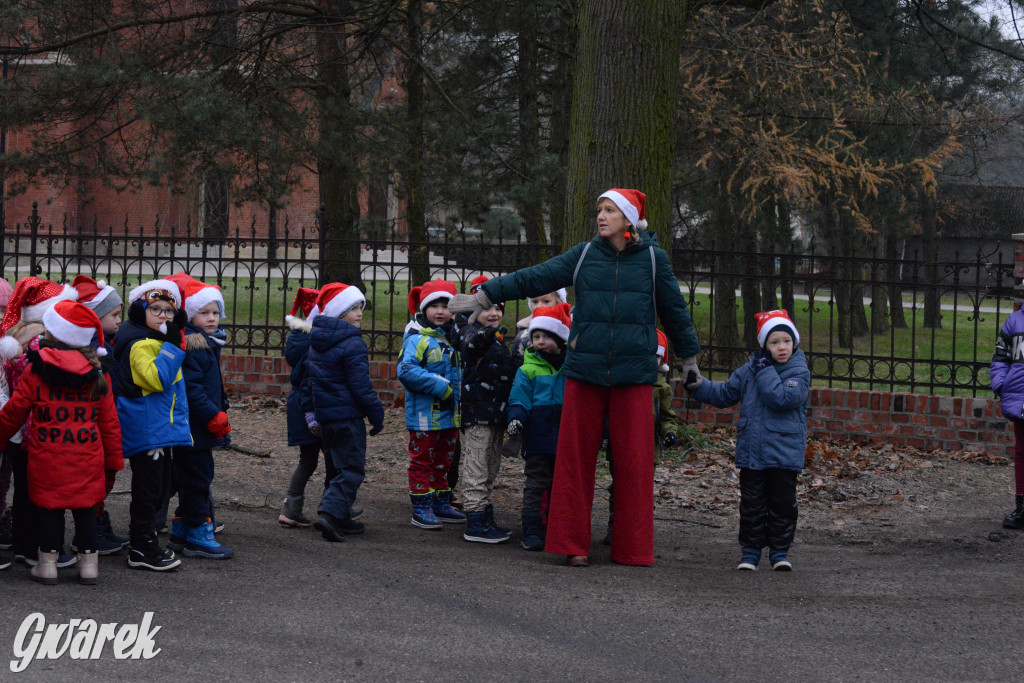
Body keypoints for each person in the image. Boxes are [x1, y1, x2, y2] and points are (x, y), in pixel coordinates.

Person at [450, 188, 701, 566]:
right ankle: (572, 546)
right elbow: (536, 277)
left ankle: (632, 549)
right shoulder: (584, 254)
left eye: (610, 210)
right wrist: (486, 294)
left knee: (634, 464)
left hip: (634, 375)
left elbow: (675, 310)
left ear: (629, 219)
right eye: (599, 210)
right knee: (574, 461)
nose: (601, 216)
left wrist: (690, 357)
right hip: (584, 371)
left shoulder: (653, 259)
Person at [0, 300, 123, 584]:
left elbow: (15, 412)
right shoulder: (98, 374)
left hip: (48, 456)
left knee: (49, 509)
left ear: (52, 333)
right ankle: (89, 566)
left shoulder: (35, 371)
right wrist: (113, 462)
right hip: (87, 457)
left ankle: (48, 564)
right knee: (85, 509)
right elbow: (109, 424)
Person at [686, 310, 810, 571]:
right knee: (752, 505)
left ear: (794, 342)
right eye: (774, 342)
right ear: (764, 344)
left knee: (782, 505)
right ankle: (750, 552)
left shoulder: (798, 371)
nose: (781, 347)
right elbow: (724, 394)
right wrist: (698, 385)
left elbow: (781, 398)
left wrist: (763, 369)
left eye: (786, 341)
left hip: (784, 454)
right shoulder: (749, 370)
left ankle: (779, 553)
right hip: (753, 452)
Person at [112, 278, 191, 571]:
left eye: (169, 311)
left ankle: (145, 542)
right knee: (148, 490)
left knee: (160, 488)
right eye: (155, 309)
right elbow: (158, 379)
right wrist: (172, 346)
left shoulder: (157, 339)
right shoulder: (140, 343)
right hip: (147, 430)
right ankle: (141, 547)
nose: (163, 316)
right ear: (140, 311)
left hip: (160, 428)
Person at [0, 277, 79, 570]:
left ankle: (22, 545)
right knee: (39, 492)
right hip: (38, 429)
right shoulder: (40, 343)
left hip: (19, 429)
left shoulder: (19, 337)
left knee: (23, 490)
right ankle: (37, 548)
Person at [162, 272, 234, 559]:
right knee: (197, 478)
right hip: (193, 428)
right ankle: (197, 531)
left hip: (201, 425)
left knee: (195, 476)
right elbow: (192, 389)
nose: (212, 317)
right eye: (204, 312)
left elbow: (209, 384)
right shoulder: (195, 345)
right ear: (191, 315)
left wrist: (221, 405)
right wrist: (212, 414)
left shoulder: (208, 343)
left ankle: (182, 527)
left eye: (215, 312)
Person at [307, 283, 385, 542]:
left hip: (327, 417)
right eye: (353, 308)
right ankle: (329, 514)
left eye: (361, 307)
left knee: (335, 468)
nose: (360, 313)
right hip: (348, 417)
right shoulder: (352, 343)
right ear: (339, 313)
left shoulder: (318, 340)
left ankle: (340, 517)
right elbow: (361, 385)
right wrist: (375, 413)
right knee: (351, 469)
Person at [398, 279, 465, 530]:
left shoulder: (454, 339)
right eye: (433, 305)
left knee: (444, 460)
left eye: (445, 306)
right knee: (422, 460)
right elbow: (406, 370)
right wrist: (441, 386)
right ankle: (421, 506)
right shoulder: (418, 339)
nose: (440, 311)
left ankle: (440, 500)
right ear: (424, 309)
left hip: (450, 415)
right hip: (424, 415)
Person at [506, 303, 571, 551]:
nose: (540, 341)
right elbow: (518, 399)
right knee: (535, 485)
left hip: (565, 439)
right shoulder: (528, 369)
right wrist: (516, 418)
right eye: (536, 336)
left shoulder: (572, 369)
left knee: (560, 487)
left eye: (546, 336)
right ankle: (531, 530)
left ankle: (555, 528)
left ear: (560, 338)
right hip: (538, 438)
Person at [71, 275, 128, 554]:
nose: (119, 320)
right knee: (96, 477)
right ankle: (91, 528)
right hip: (91, 428)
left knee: (106, 474)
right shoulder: (90, 353)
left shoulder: (111, 345)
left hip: (107, 419)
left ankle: (98, 520)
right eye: (114, 314)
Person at [457, 276, 515, 544]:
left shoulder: (500, 339)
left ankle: (486, 514)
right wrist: (486, 334)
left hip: (496, 413)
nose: (493, 313)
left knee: (491, 466)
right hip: (478, 413)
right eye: (487, 308)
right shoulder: (469, 334)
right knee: (476, 466)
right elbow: (472, 345)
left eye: (498, 309)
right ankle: (476, 520)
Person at [279, 287, 341, 528]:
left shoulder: (301, 340)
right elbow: (310, 383)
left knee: (309, 460)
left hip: (301, 407)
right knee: (333, 459)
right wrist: (311, 414)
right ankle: (335, 506)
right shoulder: (314, 344)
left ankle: (291, 507)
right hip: (311, 409)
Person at [990, 305, 1024, 529]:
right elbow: (1000, 357)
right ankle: (1022, 507)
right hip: (1021, 397)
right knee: (1022, 451)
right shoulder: (1014, 321)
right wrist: (1001, 384)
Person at [510, 288, 568, 364]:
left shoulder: (569, 330)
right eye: (535, 301)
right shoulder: (524, 337)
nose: (539, 306)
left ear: (558, 303)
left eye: (546, 301)